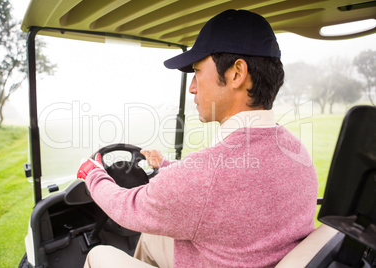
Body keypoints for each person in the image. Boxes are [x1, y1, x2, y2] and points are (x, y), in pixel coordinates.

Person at [77, 9, 318, 268]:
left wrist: (92, 173)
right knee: (153, 234)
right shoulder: (296, 150)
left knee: (99, 255)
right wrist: (166, 168)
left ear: (237, 73)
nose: (192, 87)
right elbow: (216, 191)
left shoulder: (206, 175)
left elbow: (128, 207)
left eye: (197, 71)